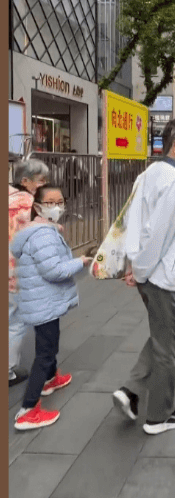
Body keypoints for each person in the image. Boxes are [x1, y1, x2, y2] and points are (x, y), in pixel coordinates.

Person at [114, 121, 175, 435]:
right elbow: (158, 235)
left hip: (148, 273)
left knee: (161, 335)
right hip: (163, 276)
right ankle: (159, 416)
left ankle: (131, 389)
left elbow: (133, 222)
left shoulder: (148, 174)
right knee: (169, 346)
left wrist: (133, 264)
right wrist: (140, 268)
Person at [11, 185, 90, 430]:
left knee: (50, 342)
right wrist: (81, 261)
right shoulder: (43, 235)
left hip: (43, 301)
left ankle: (51, 379)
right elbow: (54, 271)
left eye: (60, 201)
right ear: (37, 207)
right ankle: (28, 410)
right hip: (44, 302)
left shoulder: (40, 230)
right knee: (45, 352)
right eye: (50, 202)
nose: (57, 206)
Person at [9, 159, 51, 387]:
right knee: (14, 320)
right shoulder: (30, 203)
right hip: (15, 271)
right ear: (25, 181)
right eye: (40, 180)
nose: (43, 185)